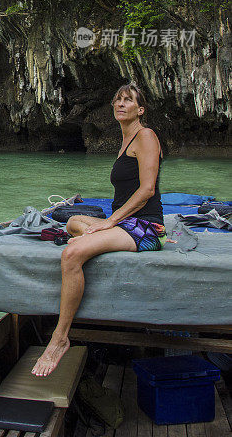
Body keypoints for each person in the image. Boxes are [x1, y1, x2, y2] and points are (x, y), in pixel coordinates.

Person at [31, 82, 166, 377]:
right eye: (117, 99)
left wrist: (110, 221)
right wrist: (109, 223)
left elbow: (147, 190)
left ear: (140, 110)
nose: (120, 103)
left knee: (72, 253)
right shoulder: (125, 142)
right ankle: (100, 237)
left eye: (128, 100)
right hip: (125, 223)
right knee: (72, 222)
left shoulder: (146, 136)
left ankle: (59, 338)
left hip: (146, 228)